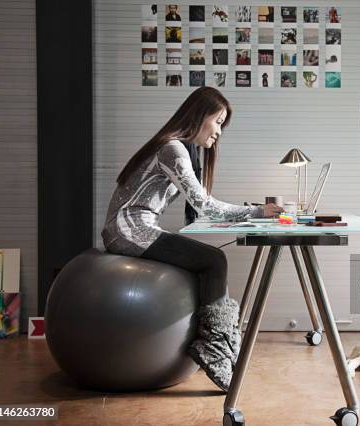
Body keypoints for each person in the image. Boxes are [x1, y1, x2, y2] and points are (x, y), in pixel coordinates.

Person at [101, 87, 283, 392]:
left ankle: (216, 344)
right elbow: (205, 205)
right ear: (200, 116)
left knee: (207, 260)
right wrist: (257, 212)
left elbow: (201, 210)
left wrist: (245, 215)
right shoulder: (173, 148)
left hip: (135, 228)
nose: (219, 132)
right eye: (218, 121)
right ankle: (213, 347)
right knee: (214, 260)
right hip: (128, 230)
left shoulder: (179, 149)